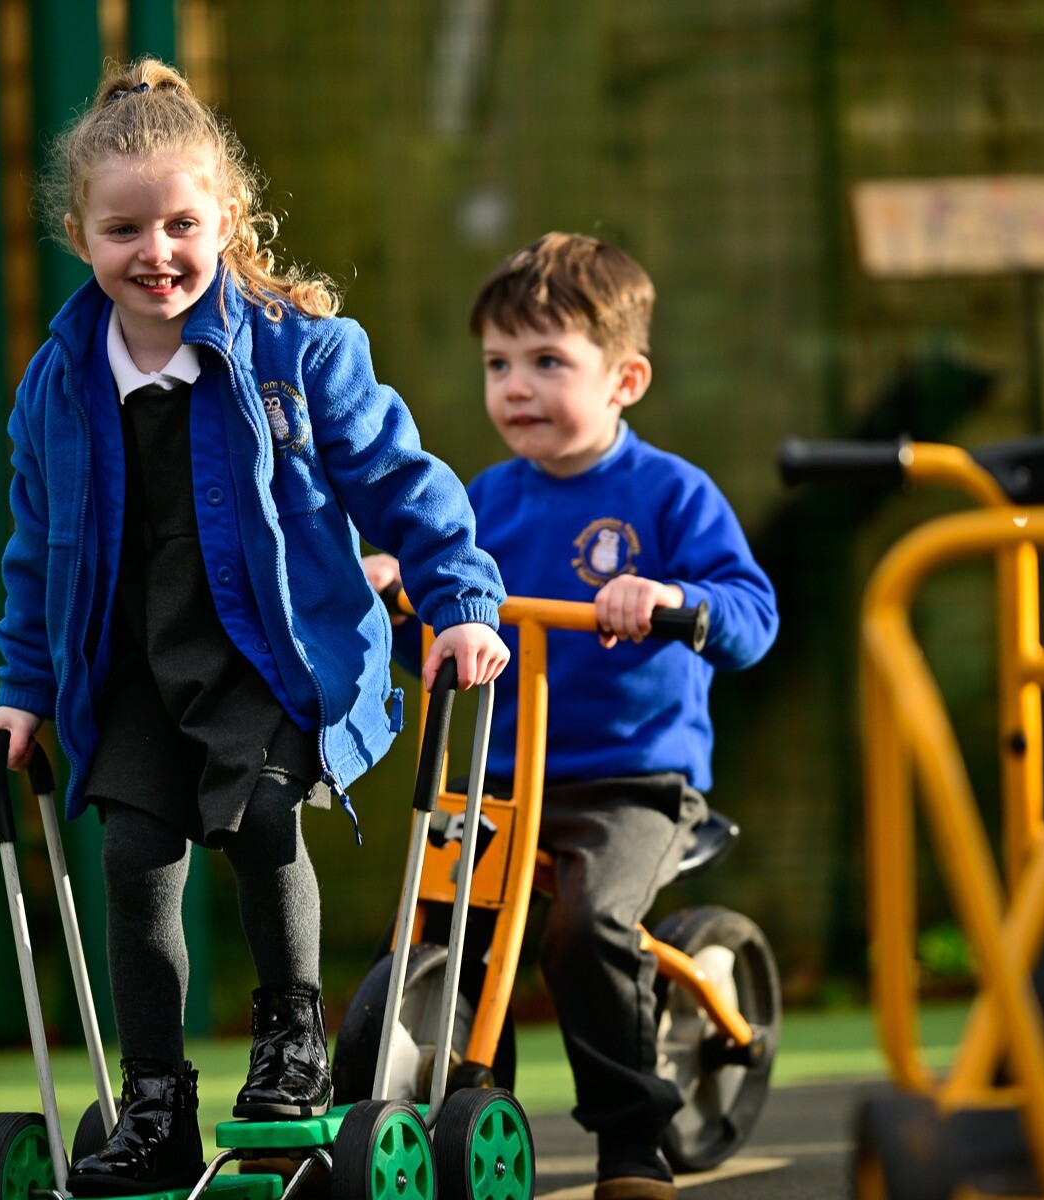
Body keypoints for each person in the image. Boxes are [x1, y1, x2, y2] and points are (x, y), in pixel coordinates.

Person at [0, 59, 510, 1197]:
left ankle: (292, 1045)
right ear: (79, 237)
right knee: (133, 863)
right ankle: (156, 1100)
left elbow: (401, 482)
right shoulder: (57, 384)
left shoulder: (300, 350)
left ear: (228, 220)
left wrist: (460, 600)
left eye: (180, 223)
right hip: (132, 662)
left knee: (266, 823)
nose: (154, 253)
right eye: (123, 230)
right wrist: (22, 688)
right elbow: (37, 552)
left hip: (274, 650)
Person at [364, 232, 777, 1200]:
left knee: (584, 928)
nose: (515, 387)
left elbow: (750, 618)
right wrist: (393, 576)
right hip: (503, 774)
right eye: (497, 365)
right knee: (436, 928)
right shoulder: (481, 501)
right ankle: (455, 1110)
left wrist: (674, 599)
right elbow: (440, 572)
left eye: (547, 362)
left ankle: (632, 1144)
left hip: (630, 776)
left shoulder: (671, 495)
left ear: (624, 378)